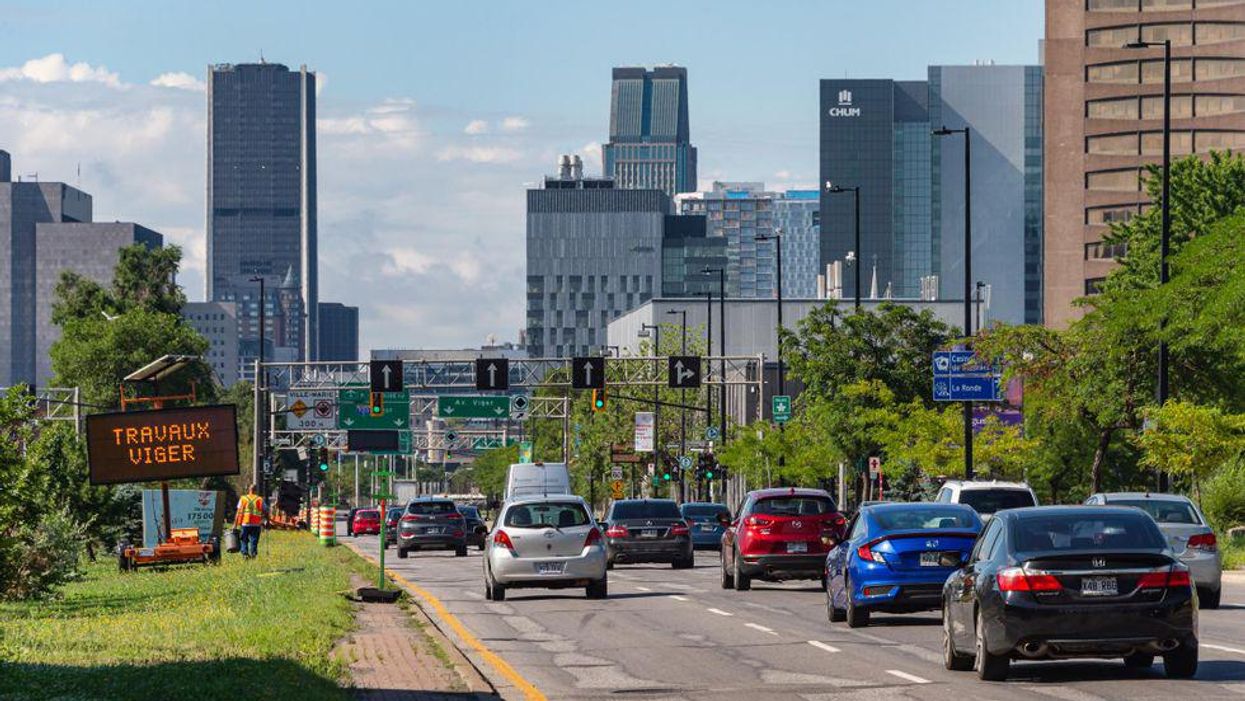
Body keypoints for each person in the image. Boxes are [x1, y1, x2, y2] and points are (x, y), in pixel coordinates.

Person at [235, 484, 264, 559]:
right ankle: (253, 554)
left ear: (249, 489)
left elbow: (238, 512)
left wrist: (235, 524)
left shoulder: (243, 498)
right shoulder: (259, 499)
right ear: (256, 490)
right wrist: (267, 520)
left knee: (244, 539)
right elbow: (266, 510)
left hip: (245, 523)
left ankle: (245, 554)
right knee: (254, 540)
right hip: (256, 524)